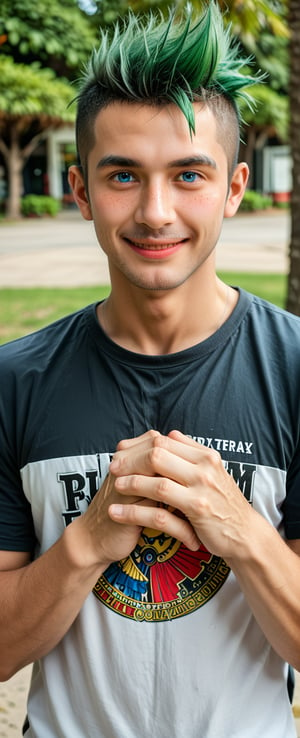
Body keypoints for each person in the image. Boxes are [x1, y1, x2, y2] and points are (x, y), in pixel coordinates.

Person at [0, 3, 299, 736]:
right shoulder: (14, 382)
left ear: (232, 189)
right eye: (124, 176)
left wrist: (240, 529)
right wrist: (89, 537)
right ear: (81, 192)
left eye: (189, 175)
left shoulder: (294, 369)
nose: (155, 212)